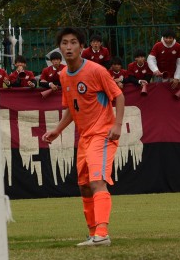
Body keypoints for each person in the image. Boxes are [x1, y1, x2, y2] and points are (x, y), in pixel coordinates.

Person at [42, 28, 124, 247]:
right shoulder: (62, 75)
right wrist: (57, 130)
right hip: (85, 137)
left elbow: (119, 95)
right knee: (84, 186)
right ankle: (92, 234)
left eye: (73, 43)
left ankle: (103, 233)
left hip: (103, 133)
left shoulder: (96, 70)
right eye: (65, 43)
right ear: (59, 48)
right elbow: (71, 108)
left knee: (97, 181)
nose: (69, 47)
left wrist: (117, 124)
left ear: (81, 46)